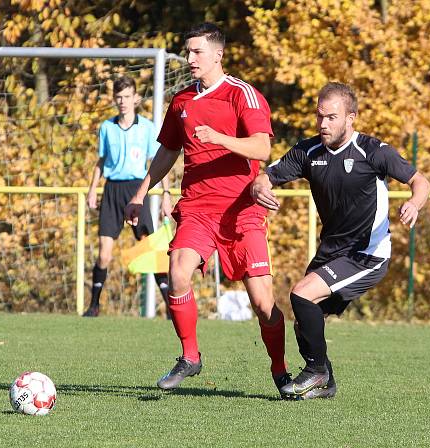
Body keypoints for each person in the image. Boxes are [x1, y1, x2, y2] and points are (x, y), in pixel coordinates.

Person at [124, 23, 290, 395]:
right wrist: (140, 193)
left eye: (197, 52)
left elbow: (262, 148)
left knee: (263, 303)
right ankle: (190, 356)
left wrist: (220, 139)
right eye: (188, 51)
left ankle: (280, 371)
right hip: (197, 208)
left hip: (241, 211)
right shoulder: (182, 101)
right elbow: (167, 151)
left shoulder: (242, 95)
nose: (190, 59)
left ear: (218, 54)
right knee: (178, 272)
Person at [251, 82, 430, 399]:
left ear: (351, 118)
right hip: (332, 252)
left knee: (302, 296)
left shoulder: (374, 151)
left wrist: (414, 203)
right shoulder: (309, 151)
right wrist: (259, 186)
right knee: (307, 322)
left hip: (366, 254)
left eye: (331, 117)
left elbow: (420, 181)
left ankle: (316, 372)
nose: (323, 124)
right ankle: (327, 383)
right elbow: (267, 174)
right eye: (320, 117)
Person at [83, 75, 171, 317]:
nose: (122, 101)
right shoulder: (106, 127)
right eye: (118, 97)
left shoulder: (147, 128)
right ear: (114, 99)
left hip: (136, 191)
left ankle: (171, 307)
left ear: (136, 98)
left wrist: (165, 193)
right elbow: (101, 161)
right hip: (112, 190)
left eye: (127, 97)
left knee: (149, 247)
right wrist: (93, 189)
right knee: (104, 253)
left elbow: (159, 162)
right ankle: (94, 305)